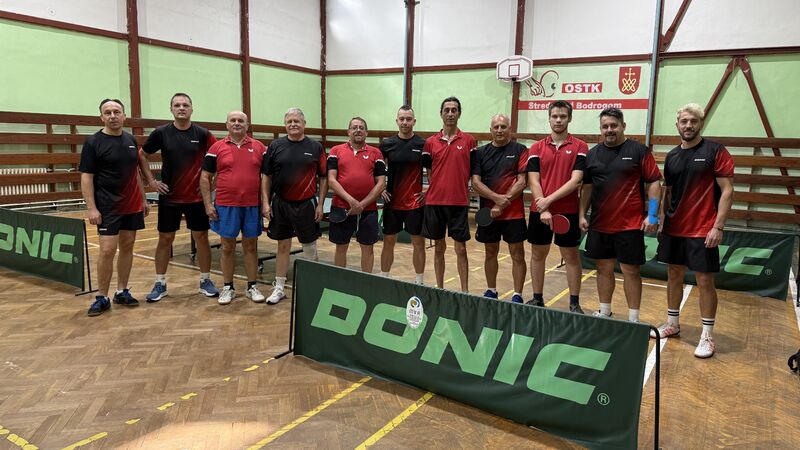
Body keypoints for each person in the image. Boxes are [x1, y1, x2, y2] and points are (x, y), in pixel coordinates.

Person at [653, 103, 734, 358]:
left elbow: (728, 190)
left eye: (693, 121)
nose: (688, 125)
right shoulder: (672, 156)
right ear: (677, 125)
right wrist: (662, 220)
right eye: (684, 121)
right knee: (673, 274)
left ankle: (707, 336)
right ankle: (672, 324)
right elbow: (668, 192)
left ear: (701, 123)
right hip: (674, 228)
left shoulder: (715, 151)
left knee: (705, 281)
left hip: (703, 229)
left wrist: (718, 226)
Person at [579, 107, 662, 322]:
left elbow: (654, 182)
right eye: (605, 126)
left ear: (623, 126)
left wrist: (653, 215)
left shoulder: (639, 151)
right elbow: (587, 187)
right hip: (600, 224)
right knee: (603, 268)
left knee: (630, 271)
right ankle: (605, 311)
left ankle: (633, 319)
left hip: (630, 225)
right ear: (600, 129)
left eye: (614, 125)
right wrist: (581, 214)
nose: (609, 130)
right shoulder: (592, 154)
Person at [138, 93, 219, 302]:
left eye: (185, 105)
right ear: (171, 109)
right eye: (177, 105)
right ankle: (160, 283)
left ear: (192, 109)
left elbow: (220, 156)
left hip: (197, 198)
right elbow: (142, 155)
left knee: (201, 238)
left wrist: (213, 184)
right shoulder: (161, 133)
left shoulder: (203, 134)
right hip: (170, 197)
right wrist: (152, 181)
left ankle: (205, 280)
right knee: (165, 239)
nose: (181, 108)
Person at [80, 98, 148, 316]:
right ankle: (102, 297)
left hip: (132, 205)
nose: (112, 116)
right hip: (107, 206)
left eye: (116, 112)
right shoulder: (93, 142)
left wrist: (143, 199)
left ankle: (122, 291)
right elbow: (86, 177)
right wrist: (92, 207)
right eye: (108, 112)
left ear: (124, 116)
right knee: (107, 250)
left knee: (127, 247)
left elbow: (135, 172)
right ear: (102, 117)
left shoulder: (130, 140)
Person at [261, 108, 328, 304]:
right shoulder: (275, 146)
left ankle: (313, 288)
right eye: (289, 121)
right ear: (285, 125)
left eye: (296, 121)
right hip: (280, 204)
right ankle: (279, 287)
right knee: (283, 246)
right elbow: (266, 176)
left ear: (304, 123)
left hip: (306, 204)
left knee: (309, 247)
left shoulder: (315, 147)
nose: (293, 124)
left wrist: (320, 204)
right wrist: (265, 202)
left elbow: (323, 177)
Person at [526, 100, 588, 312]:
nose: (558, 120)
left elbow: (576, 180)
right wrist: (543, 208)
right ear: (549, 118)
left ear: (569, 118)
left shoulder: (580, 147)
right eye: (555, 116)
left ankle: (574, 303)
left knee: (571, 256)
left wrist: (547, 202)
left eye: (563, 116)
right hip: (539, 211)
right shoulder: (536, 148)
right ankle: (537, 298)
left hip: (567, 211)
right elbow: (533, 181)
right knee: (537, 254)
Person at [200, 111, 266, 305]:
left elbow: (266, 178)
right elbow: (205, 177)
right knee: (227, 247)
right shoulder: (216, 147)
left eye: (241, 121)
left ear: (247, 125)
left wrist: (265, 203)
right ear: (227, 124)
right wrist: (208, 204)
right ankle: (228, 287)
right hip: (226, 205)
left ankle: (252, 286)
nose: (237, 123)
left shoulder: (260, 147)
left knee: (251, 246)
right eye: (233, 120)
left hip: (252, 205)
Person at [422, 97, 477, 292]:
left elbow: (472, 170)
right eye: (447, 110)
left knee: (461, 249)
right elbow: (430, 172)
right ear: (441, 114)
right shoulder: (430, 143)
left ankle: (465, 291)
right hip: (435, 202)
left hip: (459, 202)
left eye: (454, 110)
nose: (450, 114)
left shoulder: (469, 141)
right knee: (439, 247)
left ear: (459, 113)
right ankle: (440, 288)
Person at [471, 114, 527, 303]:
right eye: (496, 127)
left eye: (503, 127)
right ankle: (491, 290)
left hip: (514, 214)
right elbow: (476, 182)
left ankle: (517, 294)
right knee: (490, 251)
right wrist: (496, 200)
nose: (500, 130)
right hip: (489, 214)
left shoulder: (520, 150)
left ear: (510, 129)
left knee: (517, 253)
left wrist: (502, 202)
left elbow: (522, 181)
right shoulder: (480, 152)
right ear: (491, 130)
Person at [327, 117, 386, 272]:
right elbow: (331, 180)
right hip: (341, 208)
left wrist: (362, 204)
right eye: (354, 127)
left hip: (368, 210)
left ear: (366, 133)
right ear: (348, 132)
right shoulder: (335, 151)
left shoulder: (376, 153)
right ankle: (340, 280)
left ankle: (365, 281)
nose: (358, 130)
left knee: (368, 248)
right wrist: (351, 201)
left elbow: (381, 183)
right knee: (341, 247)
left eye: (361, 128)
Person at [378, 105, 427, 284]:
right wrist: (380, 189)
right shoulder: (387, 144)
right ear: (397, 121)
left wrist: (428, 192)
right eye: (402, 119)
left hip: (415, 203)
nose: (405, 122)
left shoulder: (423, 144)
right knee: (388, 242)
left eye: (408, 119)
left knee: (418, 243)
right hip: (392, 202)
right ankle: (384, 278)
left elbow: (434, 170)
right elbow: (377, 170)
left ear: (414, 121)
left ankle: (419, 281)